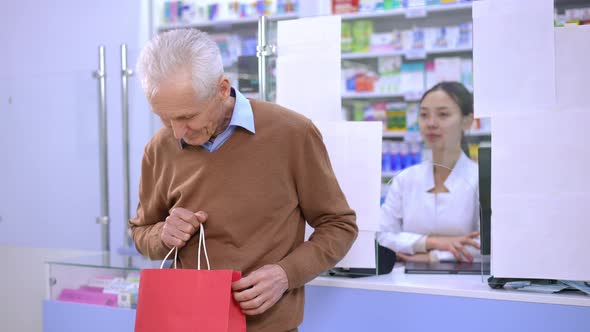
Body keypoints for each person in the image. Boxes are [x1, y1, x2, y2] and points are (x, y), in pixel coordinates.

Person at [129, 29, 358, 332]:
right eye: (163, 117)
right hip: (186, 323)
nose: (176, 132)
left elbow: (339, 225)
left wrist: (285, 274)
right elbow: (142, 232)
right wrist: (163, 234)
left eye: (187, 117)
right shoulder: (159, 149)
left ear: (222, 89)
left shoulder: (292, 133)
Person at [377, 81, 480, 264]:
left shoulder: (480, 179)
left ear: (467, 121)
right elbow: (382, 235)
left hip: (467, 285)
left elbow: (487, 246)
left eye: (443, 114)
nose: (431, 123)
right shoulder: (405, 179)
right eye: (424, 115)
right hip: (405, 283)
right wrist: (430, 242)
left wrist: (432, 256)